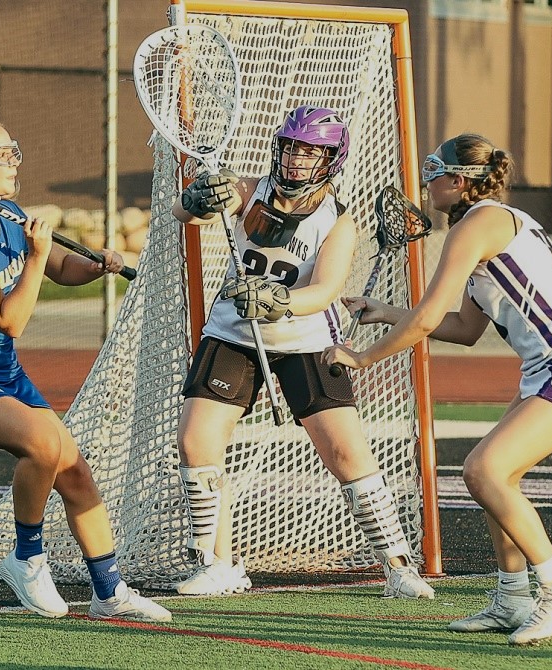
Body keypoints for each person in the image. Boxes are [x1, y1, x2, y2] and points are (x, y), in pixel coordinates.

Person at [323, 133, 552, 645]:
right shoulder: (482, 224)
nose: (426, 183)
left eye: (434, 171)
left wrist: (361, 356)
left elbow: (425, 319)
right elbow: (465, 329)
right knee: (494, 475)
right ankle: (512, 598)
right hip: (550, 367)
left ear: (458, 181)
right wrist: (386, 313)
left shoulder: (480, 222)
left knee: (483, 470)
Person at [0, 116, 170, 623]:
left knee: (74, 470)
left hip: (1, 373)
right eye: (0, 153)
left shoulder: (7, 213)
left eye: (13, 149)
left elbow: (61, 271)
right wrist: (35, 257)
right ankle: (25, 558)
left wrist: (94, 268)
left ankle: (109, 590)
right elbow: (12, 320)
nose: (13, 161)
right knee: (43, 445)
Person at [169, 105, 435, 600]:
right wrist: (197, 199)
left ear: (331, 160)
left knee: (345, 452)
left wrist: (279, 300)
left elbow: (325, 291)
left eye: (310, 153)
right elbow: (184, 215)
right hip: (232, 334)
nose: (295, 161)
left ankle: (398, 567)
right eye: (290, 148)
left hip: (305, 342)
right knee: (195, 441)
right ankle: (215, 563)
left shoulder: (338, 221)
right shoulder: (251, 191)